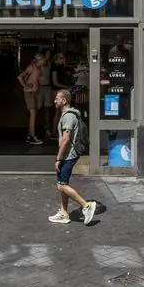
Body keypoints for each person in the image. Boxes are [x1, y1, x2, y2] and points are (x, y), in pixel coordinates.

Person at [47, 88, 99, 226]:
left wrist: (58, 158)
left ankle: (86, 205)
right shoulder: (69, 114)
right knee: (63, 184)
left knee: (61, 185)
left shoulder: (68, 116)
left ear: (64, 100)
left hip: (68, 155)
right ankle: (64, 213)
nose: (55, 101)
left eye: (57, 99)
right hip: (68, 154)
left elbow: (66, 138)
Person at [20, 51, 48, 145]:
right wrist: (26, 86)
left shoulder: (39, 68)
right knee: (33, 112)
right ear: (38, 60)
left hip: (34, 92)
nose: (44, 62)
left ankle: (30, 134)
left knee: (35, 111)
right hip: (29, 92)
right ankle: (32, 135)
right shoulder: (31, 67)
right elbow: (20, 77)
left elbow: (35, 79)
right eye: (42, 60)